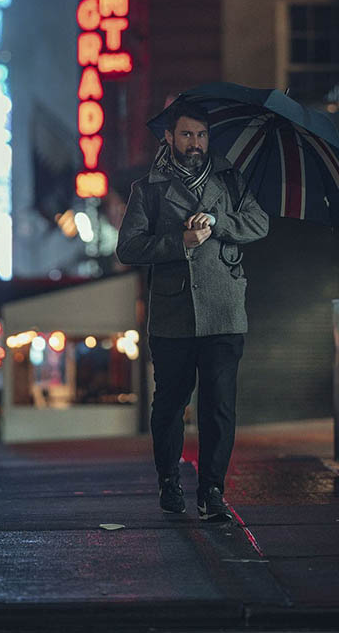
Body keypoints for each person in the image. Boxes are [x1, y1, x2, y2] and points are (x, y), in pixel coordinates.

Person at [116, 101, 269, 521]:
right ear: (168, 137)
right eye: (186, 135)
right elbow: (128, 248)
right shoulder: (148, 188)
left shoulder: (231, 180)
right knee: (169, 404)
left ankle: (212, 491)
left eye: (201, 135)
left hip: (224, 313)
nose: (195, 143)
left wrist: (218, 222)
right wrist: (178, 242)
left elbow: (259, 223)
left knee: (219, 406)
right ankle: (168, 478)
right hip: (172, 317)